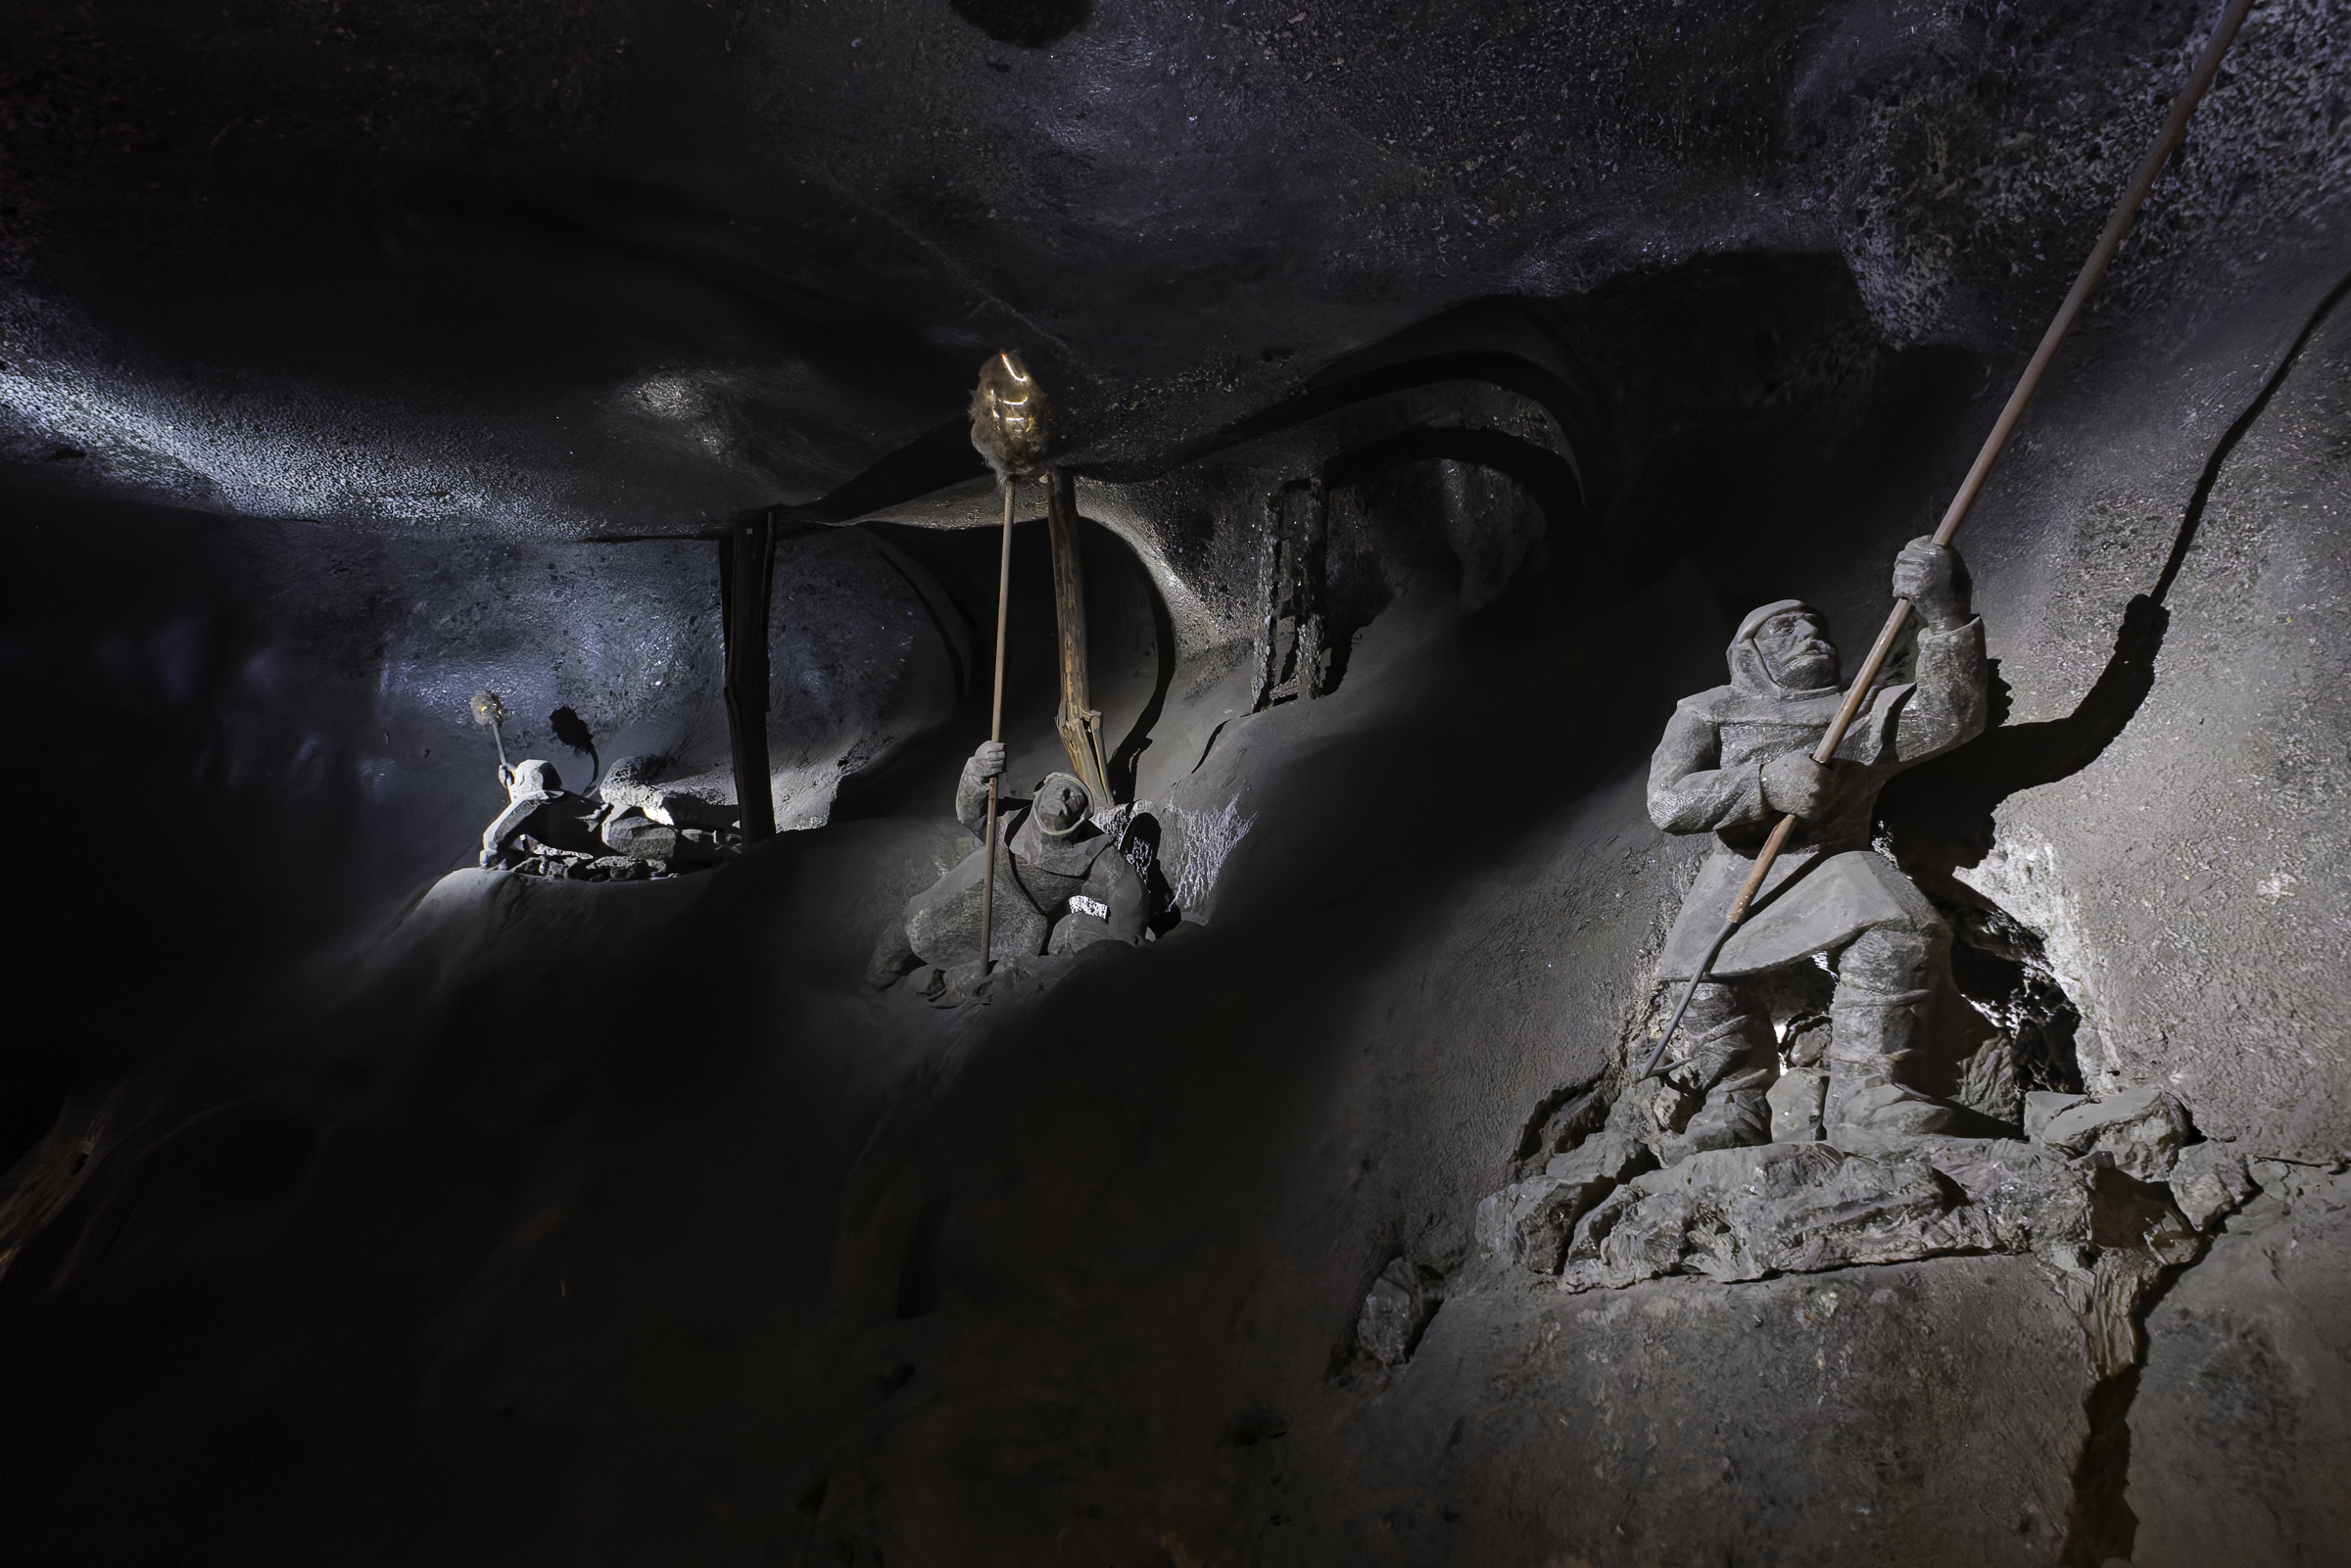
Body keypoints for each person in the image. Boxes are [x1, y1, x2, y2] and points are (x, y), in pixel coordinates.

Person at [1646, 537, 1988, 1151]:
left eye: (1814, 624)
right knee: (1700, 981)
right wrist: (1764, 783)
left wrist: (1945, 614)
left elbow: (1950, 715)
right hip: (1739, 870)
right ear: (1748, 656)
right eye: (1783, 629)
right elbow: (1669, 801)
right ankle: (1735, 1103)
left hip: (1836, 859)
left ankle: (1873, 1093)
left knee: (1901, 930)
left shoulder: (1863, 707)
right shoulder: (1708, 711)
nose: (1808, 633)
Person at [867, 740, 1146, 986]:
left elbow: (1126, 889)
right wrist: (979, 768)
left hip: (1021, 932)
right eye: (1059, 789)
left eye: (1073, 797)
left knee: (1076, 936)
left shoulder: (1093, 851)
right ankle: (877, 984)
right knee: (911, 927)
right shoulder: (1012, 817)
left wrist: (1122, 940)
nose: (1062, 798)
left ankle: (949, 984)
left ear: (1082, 817)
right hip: (965, 896)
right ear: (1039, 792)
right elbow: (970, 813)